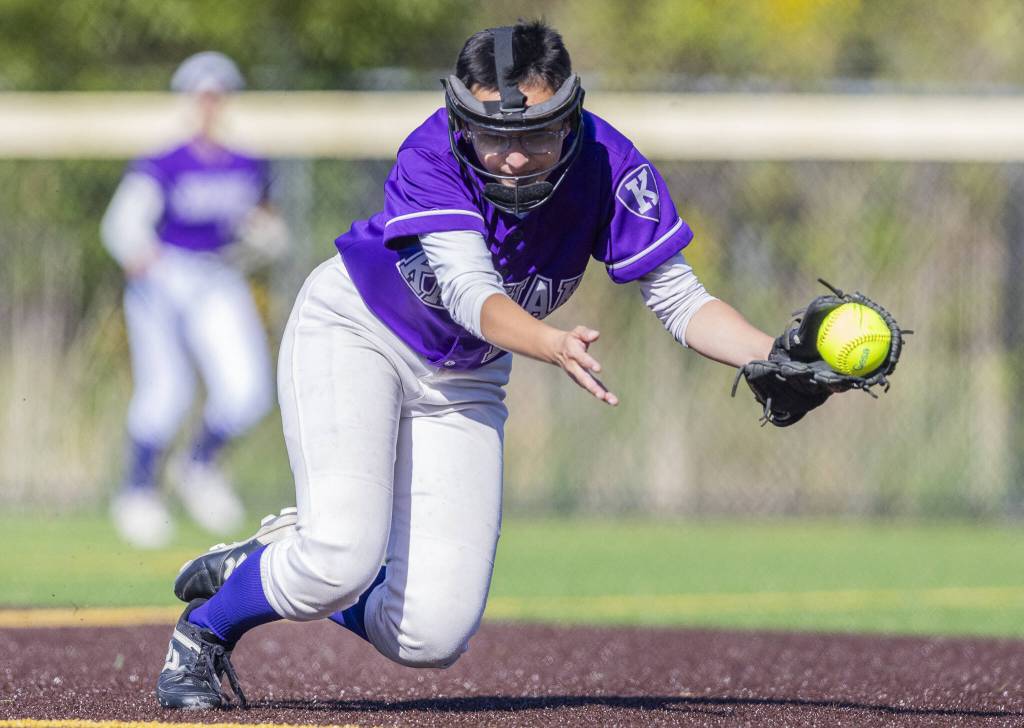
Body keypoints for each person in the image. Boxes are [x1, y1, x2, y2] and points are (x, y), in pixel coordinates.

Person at [155, 21, 786, 709]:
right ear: (462, 119)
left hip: (463, 377)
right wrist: (548, 343)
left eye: (537, 135)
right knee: (338, 556)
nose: (513, 159)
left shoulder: (607, 161)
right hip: (358, 330)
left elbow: (679, 296)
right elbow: (470, 295)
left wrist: (776, 355)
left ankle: (272, 556)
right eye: (494, 137)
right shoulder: (433, 152)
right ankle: (203, 634)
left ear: (571, 115)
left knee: (429, 636)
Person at [102, 51, 288, 549]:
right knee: (165, 393)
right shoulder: (164, 161)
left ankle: (199, 466)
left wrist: (263, 237)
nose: (209, 105)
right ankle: (138, 492)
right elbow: (122, 227)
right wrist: (147, 262)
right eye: (201, 95)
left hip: (218, 277)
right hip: (167, 277)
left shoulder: (248, 160)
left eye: (217, 95)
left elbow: (262, 220)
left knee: (248, 393)